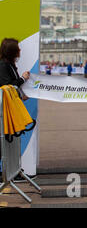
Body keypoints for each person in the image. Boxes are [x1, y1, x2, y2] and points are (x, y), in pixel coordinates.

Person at [0, 38, 31, 180]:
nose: (20, 50)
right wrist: (23, 79)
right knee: (3, 143)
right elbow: (8, 86)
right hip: (3, 112)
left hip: (8, 110)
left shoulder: (10, 64)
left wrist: (20, 95)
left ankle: (12, 170)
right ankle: (7, 171)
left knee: (9, 141)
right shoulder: (3, 65)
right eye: (18, 48)